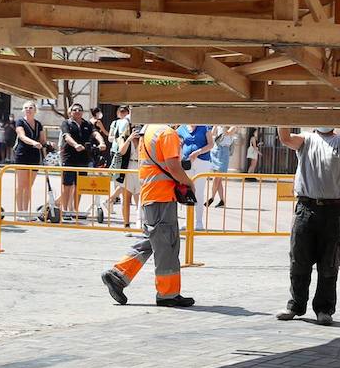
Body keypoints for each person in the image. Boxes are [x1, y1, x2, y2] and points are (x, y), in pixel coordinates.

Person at [274, 127, 340, 325]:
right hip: (306, 207)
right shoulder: (305, 140)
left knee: (329, 262)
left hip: (333, 210)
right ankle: (296, 305)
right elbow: (284, 138)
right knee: (299, 259)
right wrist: (281, 112)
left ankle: (324, 309)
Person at [100, 124, 196, 308]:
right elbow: (173, 166)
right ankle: (168, 294)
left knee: (152, 240)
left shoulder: (149, 130)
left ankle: (118, 275)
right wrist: (189, 183)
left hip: (152, 195)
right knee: (166, 246)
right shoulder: (167, 133)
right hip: (162, 197)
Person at [59, 103, 97, 220]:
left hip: (83, 159)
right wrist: (75, 145)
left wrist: (102, 142)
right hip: (69, 158)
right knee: (67, 185)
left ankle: (75, 210)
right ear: (70, 112)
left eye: (79, 109)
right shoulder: (67, 123)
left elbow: (95, 133)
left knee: (80, 186)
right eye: (74, 110)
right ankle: (65, 210)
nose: (77, 111)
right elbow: (67, 137)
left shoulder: (87, 124)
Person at [12, 102, 46, 218]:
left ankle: (25, 211)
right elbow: (21, 136)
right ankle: (19, 211)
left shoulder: (38, 124)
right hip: (22, 154)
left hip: (34, 156)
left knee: (28, 186)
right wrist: (33, 143)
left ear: (35, 110)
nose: (28, 109)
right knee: (21, 185)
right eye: (26, 108)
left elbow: (42, 140)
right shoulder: (20, 122)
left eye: (31, 108)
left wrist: (48, 144)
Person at [178, 124, 215, 229]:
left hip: (202, 161)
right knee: (187, 191)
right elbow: (178, 143)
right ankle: (187, 220)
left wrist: (198, 152)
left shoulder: (204, 127)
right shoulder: (181, 128)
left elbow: (211, 144)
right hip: (187, 162)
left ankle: (199, 222)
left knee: (198, 191)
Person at [206, 126, 237, 209]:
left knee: (217, 178)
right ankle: (222, 200)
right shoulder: (219, 125)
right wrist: (216, 125)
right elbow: (212, 133)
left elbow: (228, 133)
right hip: (216, 150)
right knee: (218, 179)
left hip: (224, 152)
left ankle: (211, 197)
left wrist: (223, 125)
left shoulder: (233, 126)